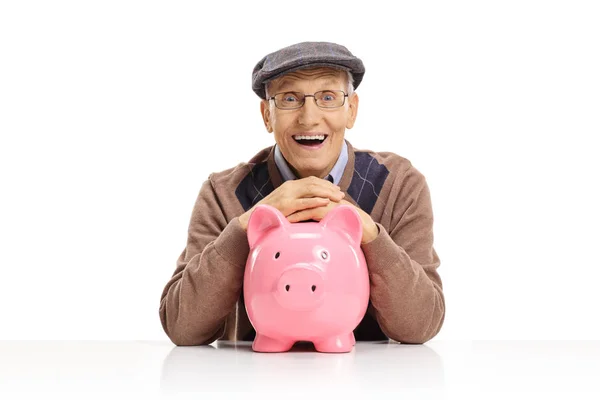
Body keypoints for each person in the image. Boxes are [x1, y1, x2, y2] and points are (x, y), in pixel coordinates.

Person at [158, 41, 445, 346]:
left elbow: (421, 325)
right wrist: (245, 227)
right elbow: (182, 327)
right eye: (289, 98)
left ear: (351, 110)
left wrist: (370, 235)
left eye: (328, 97)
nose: (309, 118)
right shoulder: (223, 192)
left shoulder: (398, 185)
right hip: (252, 379)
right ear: (267, 115)